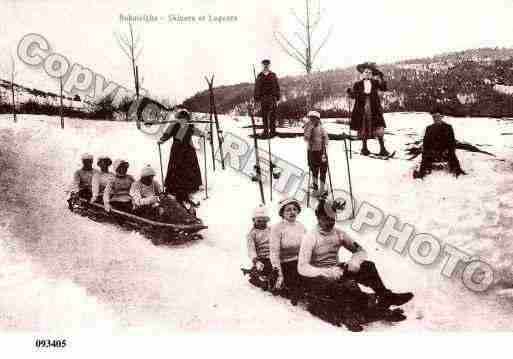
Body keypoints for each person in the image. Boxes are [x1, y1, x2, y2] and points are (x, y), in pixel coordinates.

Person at [298, 198, 414, 331]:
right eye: (326, 219)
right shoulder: (310, 237)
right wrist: (326, 272)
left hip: (337, 270)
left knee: (368, 266)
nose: (330, 222)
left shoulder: (339, 233)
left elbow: (360, 250)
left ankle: (386, 297)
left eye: (332, 218)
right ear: (318, 217)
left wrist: (355, 261)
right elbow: (302, 267)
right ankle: (350, 314)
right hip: (318, 276)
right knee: (346, 287)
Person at [157, 109, 204, 208]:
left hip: (188, 151)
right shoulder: (174, 125)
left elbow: (197, 132)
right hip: (177, 151)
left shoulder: (190, 126)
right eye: (181, 118)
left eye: (185, 118)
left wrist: (204, 134)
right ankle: (174, 187)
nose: (183, 119)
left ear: (187, 118)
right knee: (176, 168)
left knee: (189, 168)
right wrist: (162, 140)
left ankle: (191, 186)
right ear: (178, 118)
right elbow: (167, 134)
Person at [347, 62, 389, 156]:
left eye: (369, 72)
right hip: (361, 109)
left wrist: (381, 78)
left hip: (374, 108)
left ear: (371, 74)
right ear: (362, 73)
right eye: (366, 72)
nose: (368, 73)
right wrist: (350, 93)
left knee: (379, 127)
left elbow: (384, 88)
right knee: (363, 127)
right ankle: (364, 148)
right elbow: (354, 96)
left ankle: (382, 149)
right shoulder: (358, 84)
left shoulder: (375, 82)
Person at [413, 106, 466, 179]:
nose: (436, 118)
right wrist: (429, 150)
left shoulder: (448, 127)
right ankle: (421, 174)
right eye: (434, 117)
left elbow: (451, 142)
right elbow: (426, 143)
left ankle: (458, 171)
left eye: (438, 116)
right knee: (425, 153)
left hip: (445, 151)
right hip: (432, 152)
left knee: (451, 153)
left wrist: (447, 150)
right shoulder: (429, 128)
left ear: (442, 117)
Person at [270, 198, 307, 299]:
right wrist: (278, 274)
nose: (292, 212)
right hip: (286, 264)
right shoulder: (277, 228)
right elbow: (274, 253)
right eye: (288, 209)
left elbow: (307, 247)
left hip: (301, 262)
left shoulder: (301, 226)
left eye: (295, 209)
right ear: (282, 213)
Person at [246, 205, 274, 288]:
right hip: (261, 257)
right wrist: (255, 260)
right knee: (264, 267)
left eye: (264, 221)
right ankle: (256, 277)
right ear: (254, 221)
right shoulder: (252, 234)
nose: (261, 223)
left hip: (273, 255)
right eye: (258, 221)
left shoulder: (271, 230)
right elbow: (251, 249)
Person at [304, 110, 329, 197]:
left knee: (323, 170)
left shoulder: (321, 127)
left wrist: (324, 140)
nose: (312, 120)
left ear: (318, 119)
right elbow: (306, 138)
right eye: (311, 118)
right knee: (314, 170)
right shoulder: (307, 127)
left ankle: (322, 188)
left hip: (321, 152)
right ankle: (315, 188)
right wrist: (310, 129)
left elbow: (326, 138)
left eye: (314, 119)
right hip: (312, 152)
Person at [254, 59, 281, 138]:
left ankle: (273, 131)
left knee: (273, 114)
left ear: (269, 66)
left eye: (267, 65)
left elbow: (277, 86)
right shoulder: (260, 76)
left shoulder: (273, 75)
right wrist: (256, 97)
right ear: (262, 66)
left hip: (272, 98)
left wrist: (277, 97)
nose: (266, 66)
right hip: (263, 98)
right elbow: (257, 87)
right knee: (264, 115)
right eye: (264, 65)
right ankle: (265, 131)